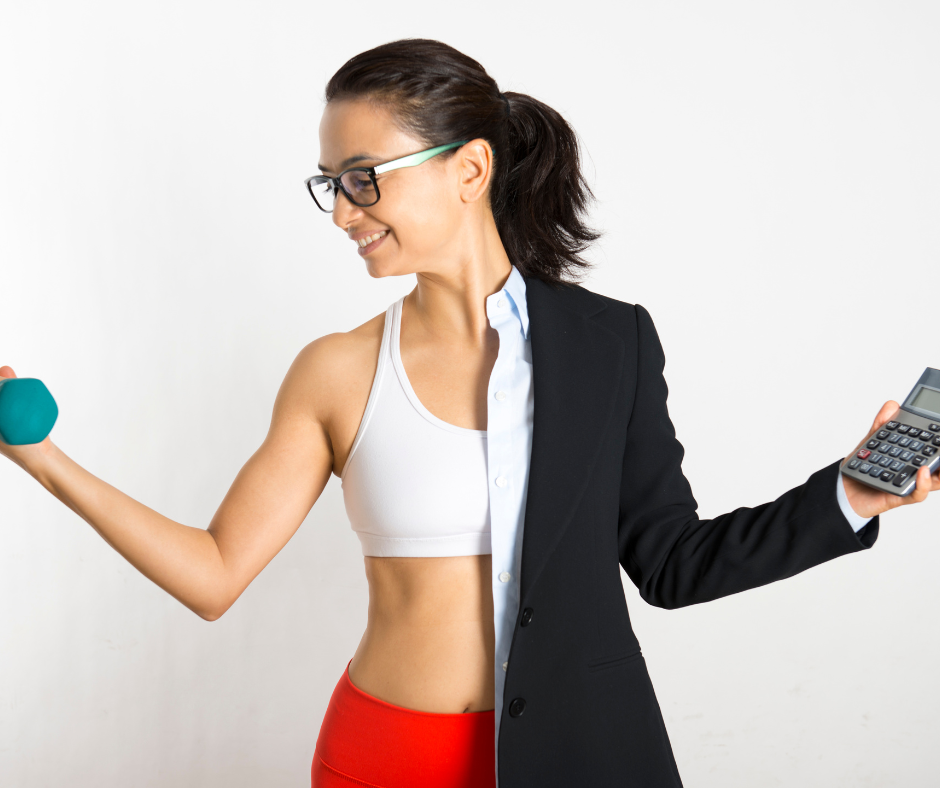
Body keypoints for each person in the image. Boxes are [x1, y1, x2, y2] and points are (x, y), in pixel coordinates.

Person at [1, 37, 936, 788]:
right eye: (331, 182)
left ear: (470, 167)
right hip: (382, 756)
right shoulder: (334, 371)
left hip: (583, 754)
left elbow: (672, 563)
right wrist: (44, 459)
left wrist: (851, 494)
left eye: (364, 176)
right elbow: (213, 575)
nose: (341, 211)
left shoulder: (610, 343)